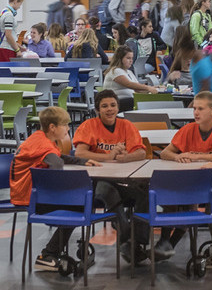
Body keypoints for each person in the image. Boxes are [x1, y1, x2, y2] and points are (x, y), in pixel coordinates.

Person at [69, 90, 153, 260]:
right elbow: (80, 153)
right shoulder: (88, 126)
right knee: (106, 190)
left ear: (118, 107)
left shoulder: (126, 125)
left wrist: (125, 157)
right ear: (98, 109)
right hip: (95, 183)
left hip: (123, 180)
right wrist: (108, 157)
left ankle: (137, 241)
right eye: (104, 106)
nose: (109, 109)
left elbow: (141, 153)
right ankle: (125, 235)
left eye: (113, 105)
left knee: (146, 193)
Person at [15, 107, 101, 272]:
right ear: (52, 127)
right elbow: (56, 164)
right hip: (30, 198)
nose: (68, 128)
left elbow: (58, 158)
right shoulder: (41, 144)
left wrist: (82, 162)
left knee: (80, 205)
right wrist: (65, 189)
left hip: (32, 193)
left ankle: (51, 253)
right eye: (65, 125)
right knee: (80, 205)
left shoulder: (40, 140)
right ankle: (49, 254)